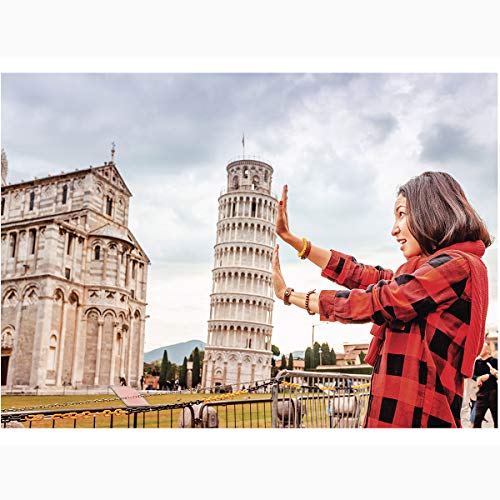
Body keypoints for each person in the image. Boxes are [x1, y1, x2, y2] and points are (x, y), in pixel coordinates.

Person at [272, 172, 491, 428]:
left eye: (401, 214)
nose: (394, 229)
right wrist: (293, 240)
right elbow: (360, 275)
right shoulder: (423, 274)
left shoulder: (457, 266)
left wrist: (289, 295)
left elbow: (381, 300)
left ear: (431, 211)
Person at [472, 342, 498, 428]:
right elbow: (473, 375)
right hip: (482, 394)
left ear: (487, 350)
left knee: (497, 420)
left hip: (494, 393)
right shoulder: (477, 362)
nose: (479, 350)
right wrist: (478, 378)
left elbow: (497, 373)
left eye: (482, 348)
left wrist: (489, 376)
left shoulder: (494, 361)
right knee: (477, 419)